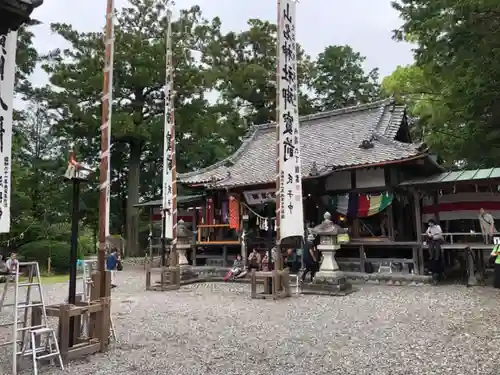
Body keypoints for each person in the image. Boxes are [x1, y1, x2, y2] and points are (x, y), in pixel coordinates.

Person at [425, 219, 443, 284]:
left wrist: (434, 235)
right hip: (433, 239)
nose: (429, 224)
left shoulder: (437, 226)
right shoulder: (429, 228)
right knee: (431, 245)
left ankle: (437, 257)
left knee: (438, 246)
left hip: (438, 238)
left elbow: (440, 233)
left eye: (430, 223)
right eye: (429, 223)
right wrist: (429, 234)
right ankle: (431, 255)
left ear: (433, 223)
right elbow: (427, 232)